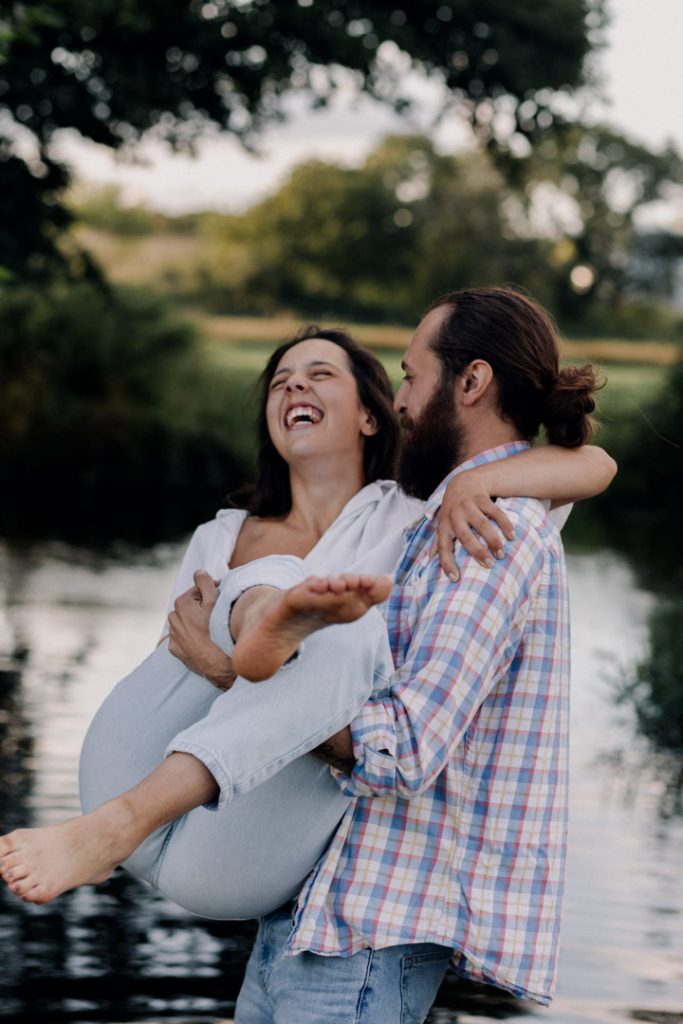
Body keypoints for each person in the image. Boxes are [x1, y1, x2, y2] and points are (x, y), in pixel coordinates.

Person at [0, 308, 612, 946]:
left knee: (346, 637)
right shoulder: (222, 533)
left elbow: (593, 464)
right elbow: (168, 681)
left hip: (240, 839)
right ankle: (274, 625)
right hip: (128, 768)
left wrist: (481, 480)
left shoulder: (415, 516)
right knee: (272, 584)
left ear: (371, 415)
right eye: (280, 382)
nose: (294, 387)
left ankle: (281, 637)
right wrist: (232, 650)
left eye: (319, 374)